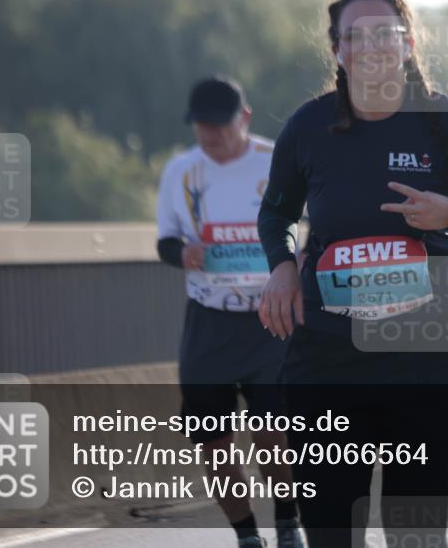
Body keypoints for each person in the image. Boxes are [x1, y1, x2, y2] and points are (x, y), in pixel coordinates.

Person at [257, 0, 448, 547]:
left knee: (414, 535)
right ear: (337, 50)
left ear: (408, 44)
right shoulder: (309, 128)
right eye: (354, 36)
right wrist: (282, 266)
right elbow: (275, 213)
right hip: (330, 361)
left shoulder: (446, 125)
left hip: (428, 356)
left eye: (384, 33)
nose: (370, 46)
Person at [156, 77, 306, 548]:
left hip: (271, 316)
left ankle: (288, 523)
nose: (211, 137)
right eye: (203, 128)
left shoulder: (276, 161)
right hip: (209, 319)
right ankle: (246, 536)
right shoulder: (180, 170)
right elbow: (165, 241)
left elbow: (311, 228)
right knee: (211, 442)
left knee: (273, 435)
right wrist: (183, 254)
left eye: (220, 127)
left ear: (244, 119)